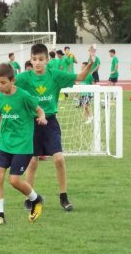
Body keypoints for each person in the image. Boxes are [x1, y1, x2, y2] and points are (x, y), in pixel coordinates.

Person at [13, 43, 94, 212]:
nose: (37, 63)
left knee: (58, 159)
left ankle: (63, 197)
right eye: (34, 59)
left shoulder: (55, 75)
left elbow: (80, 77)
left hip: (50, 122)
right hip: (32, 123)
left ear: (47, 60)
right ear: (30, 59)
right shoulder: (24, 78)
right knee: (32, 161)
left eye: (41, 59)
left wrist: (91, 62)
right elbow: (7, 86)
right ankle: (31, 197)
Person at [0, 63, 47, 226]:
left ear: (13, 80)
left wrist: (42, 117)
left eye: (3, 82)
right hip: (4, 142)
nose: (0, 85)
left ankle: (36, 199)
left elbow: (39, 110)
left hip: (23, 145)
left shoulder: (24, 96)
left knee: (14, 180)